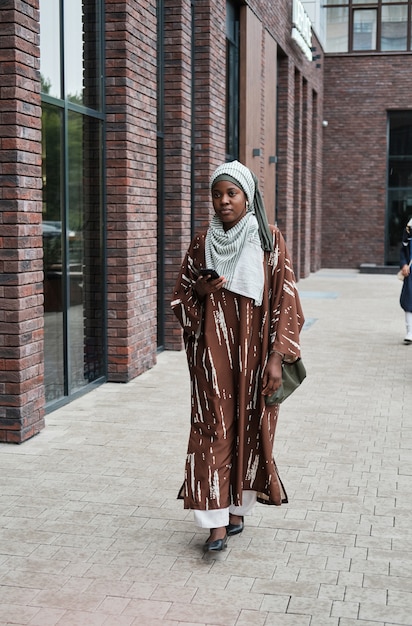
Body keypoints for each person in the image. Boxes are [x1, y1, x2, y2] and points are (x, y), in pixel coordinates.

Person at [171, 160, 304, 552]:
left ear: (247, 197)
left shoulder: (268, 240)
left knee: (251, 426)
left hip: (256, 357)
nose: (223, 201)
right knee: (212, 430)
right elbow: (179, 299)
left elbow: (285, 301)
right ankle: (213, 525)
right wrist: (200, 291)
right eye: (217, 194)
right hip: (211, 358)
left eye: (231, 193)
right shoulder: (200, 243)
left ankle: (237, 512)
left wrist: (278, 357)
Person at [400, 217, 412, 344]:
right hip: (411, 273)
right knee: (408, 301)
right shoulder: (409, 228)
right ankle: (410, 332)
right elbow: (403, 250)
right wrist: (403, 264)